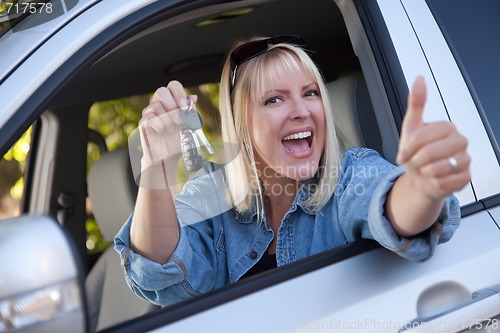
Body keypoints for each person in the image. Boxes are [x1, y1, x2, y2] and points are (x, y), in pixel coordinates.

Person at [114, 34, 470, 306]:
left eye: (311, 93)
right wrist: (156, 164)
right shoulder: (214, 191)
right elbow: (157, 267)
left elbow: (391, 206)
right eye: (275, 99)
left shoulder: (349, 175)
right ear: (242, 126)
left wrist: (423, 187)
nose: (301, 110)